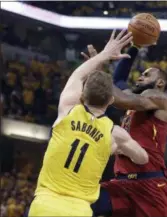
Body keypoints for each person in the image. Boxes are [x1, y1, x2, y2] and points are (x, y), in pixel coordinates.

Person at [28, 30, 149, 217]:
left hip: (44, 205)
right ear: (111, 101)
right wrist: (120, 148)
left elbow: (77, 76)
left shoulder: (68, 109)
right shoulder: (114, 134)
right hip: (79, 210)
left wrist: (104, 55)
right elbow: (142, 158)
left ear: (82, 95)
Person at [86, 44, 167, 217]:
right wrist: (134, 48)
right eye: (141, 73)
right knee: (81, 201)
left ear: (160, 82)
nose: (141, 76)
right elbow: (118, 81)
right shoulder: (135, 101)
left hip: (149, 186)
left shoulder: (159, 98)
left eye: (147, 75)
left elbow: (120, 98)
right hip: (121, 184)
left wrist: (98, 71)